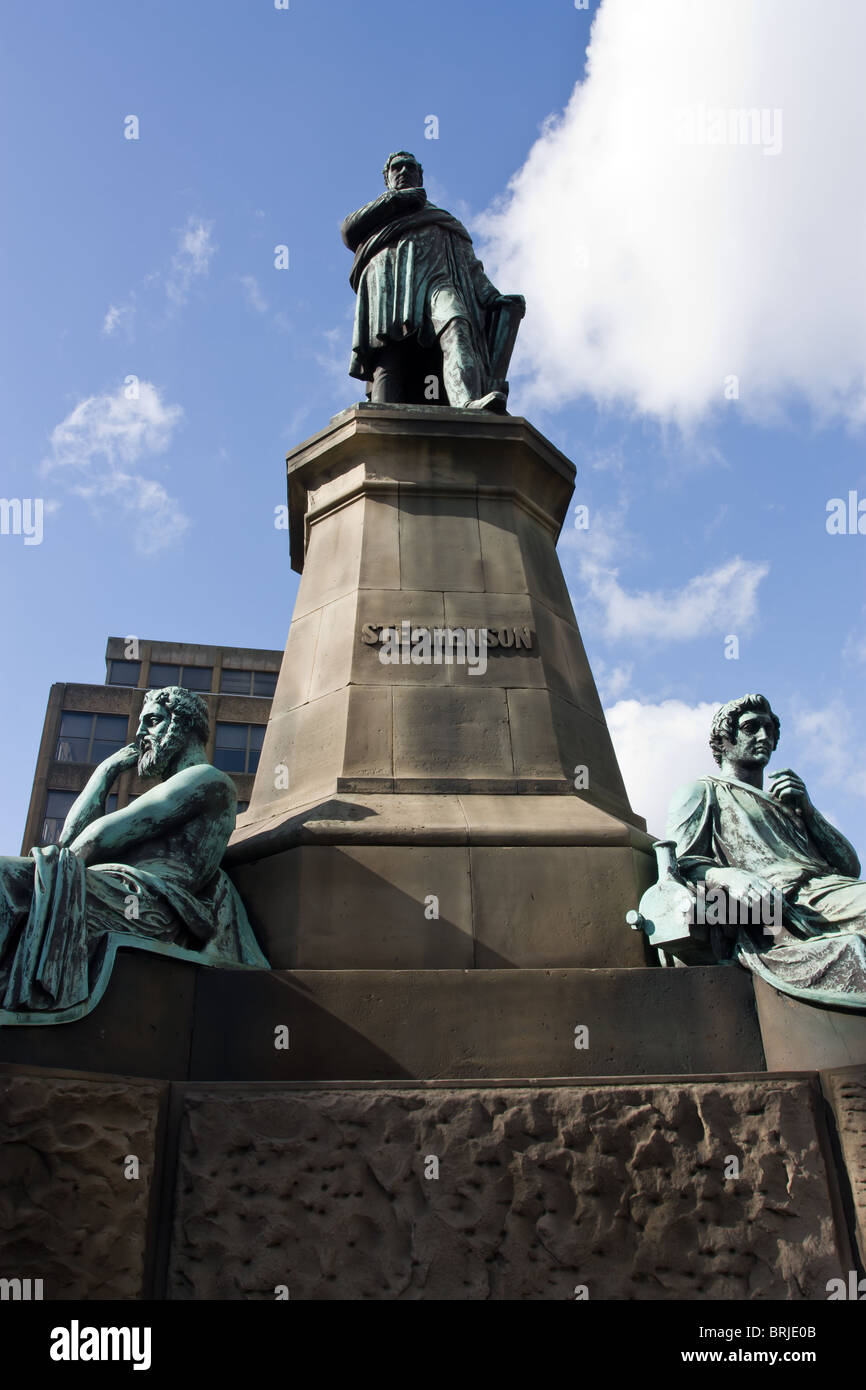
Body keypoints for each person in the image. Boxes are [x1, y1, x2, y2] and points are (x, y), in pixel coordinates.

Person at [0, 686, 267, 1025]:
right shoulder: (173, 786)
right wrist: (105, 774)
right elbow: (70, 840)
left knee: (8, 880)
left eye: (153, 722)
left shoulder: (206, 779)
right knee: (17, 881)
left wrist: (53, 879)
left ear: (183, 727)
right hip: (118, 890)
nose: (141, 734)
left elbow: (99, 836)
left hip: (149, 904)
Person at [665, 692, 866, 1008]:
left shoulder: (789, 804)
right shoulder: (704, 791)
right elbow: (680, 865)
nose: (764, 737)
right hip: (784, 904)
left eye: (770, 729)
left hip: (828, 893)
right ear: (725, 738)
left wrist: (809, 812)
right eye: (751, 728)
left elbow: (850, 867)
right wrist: (729, 876)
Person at [341, 151, 524, 410]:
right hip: (390, 293)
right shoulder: (379, 215)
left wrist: (494, 298)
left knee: (458, 323)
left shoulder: (443, 221)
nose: (404, 171)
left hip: (437, 285)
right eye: (397, 168)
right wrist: (396, 200)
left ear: (421, 175)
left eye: (410, 167)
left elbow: (472, 269)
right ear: (387, 178)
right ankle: (382, 431)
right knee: (389, 359)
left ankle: (467, 402)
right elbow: (348, 231)